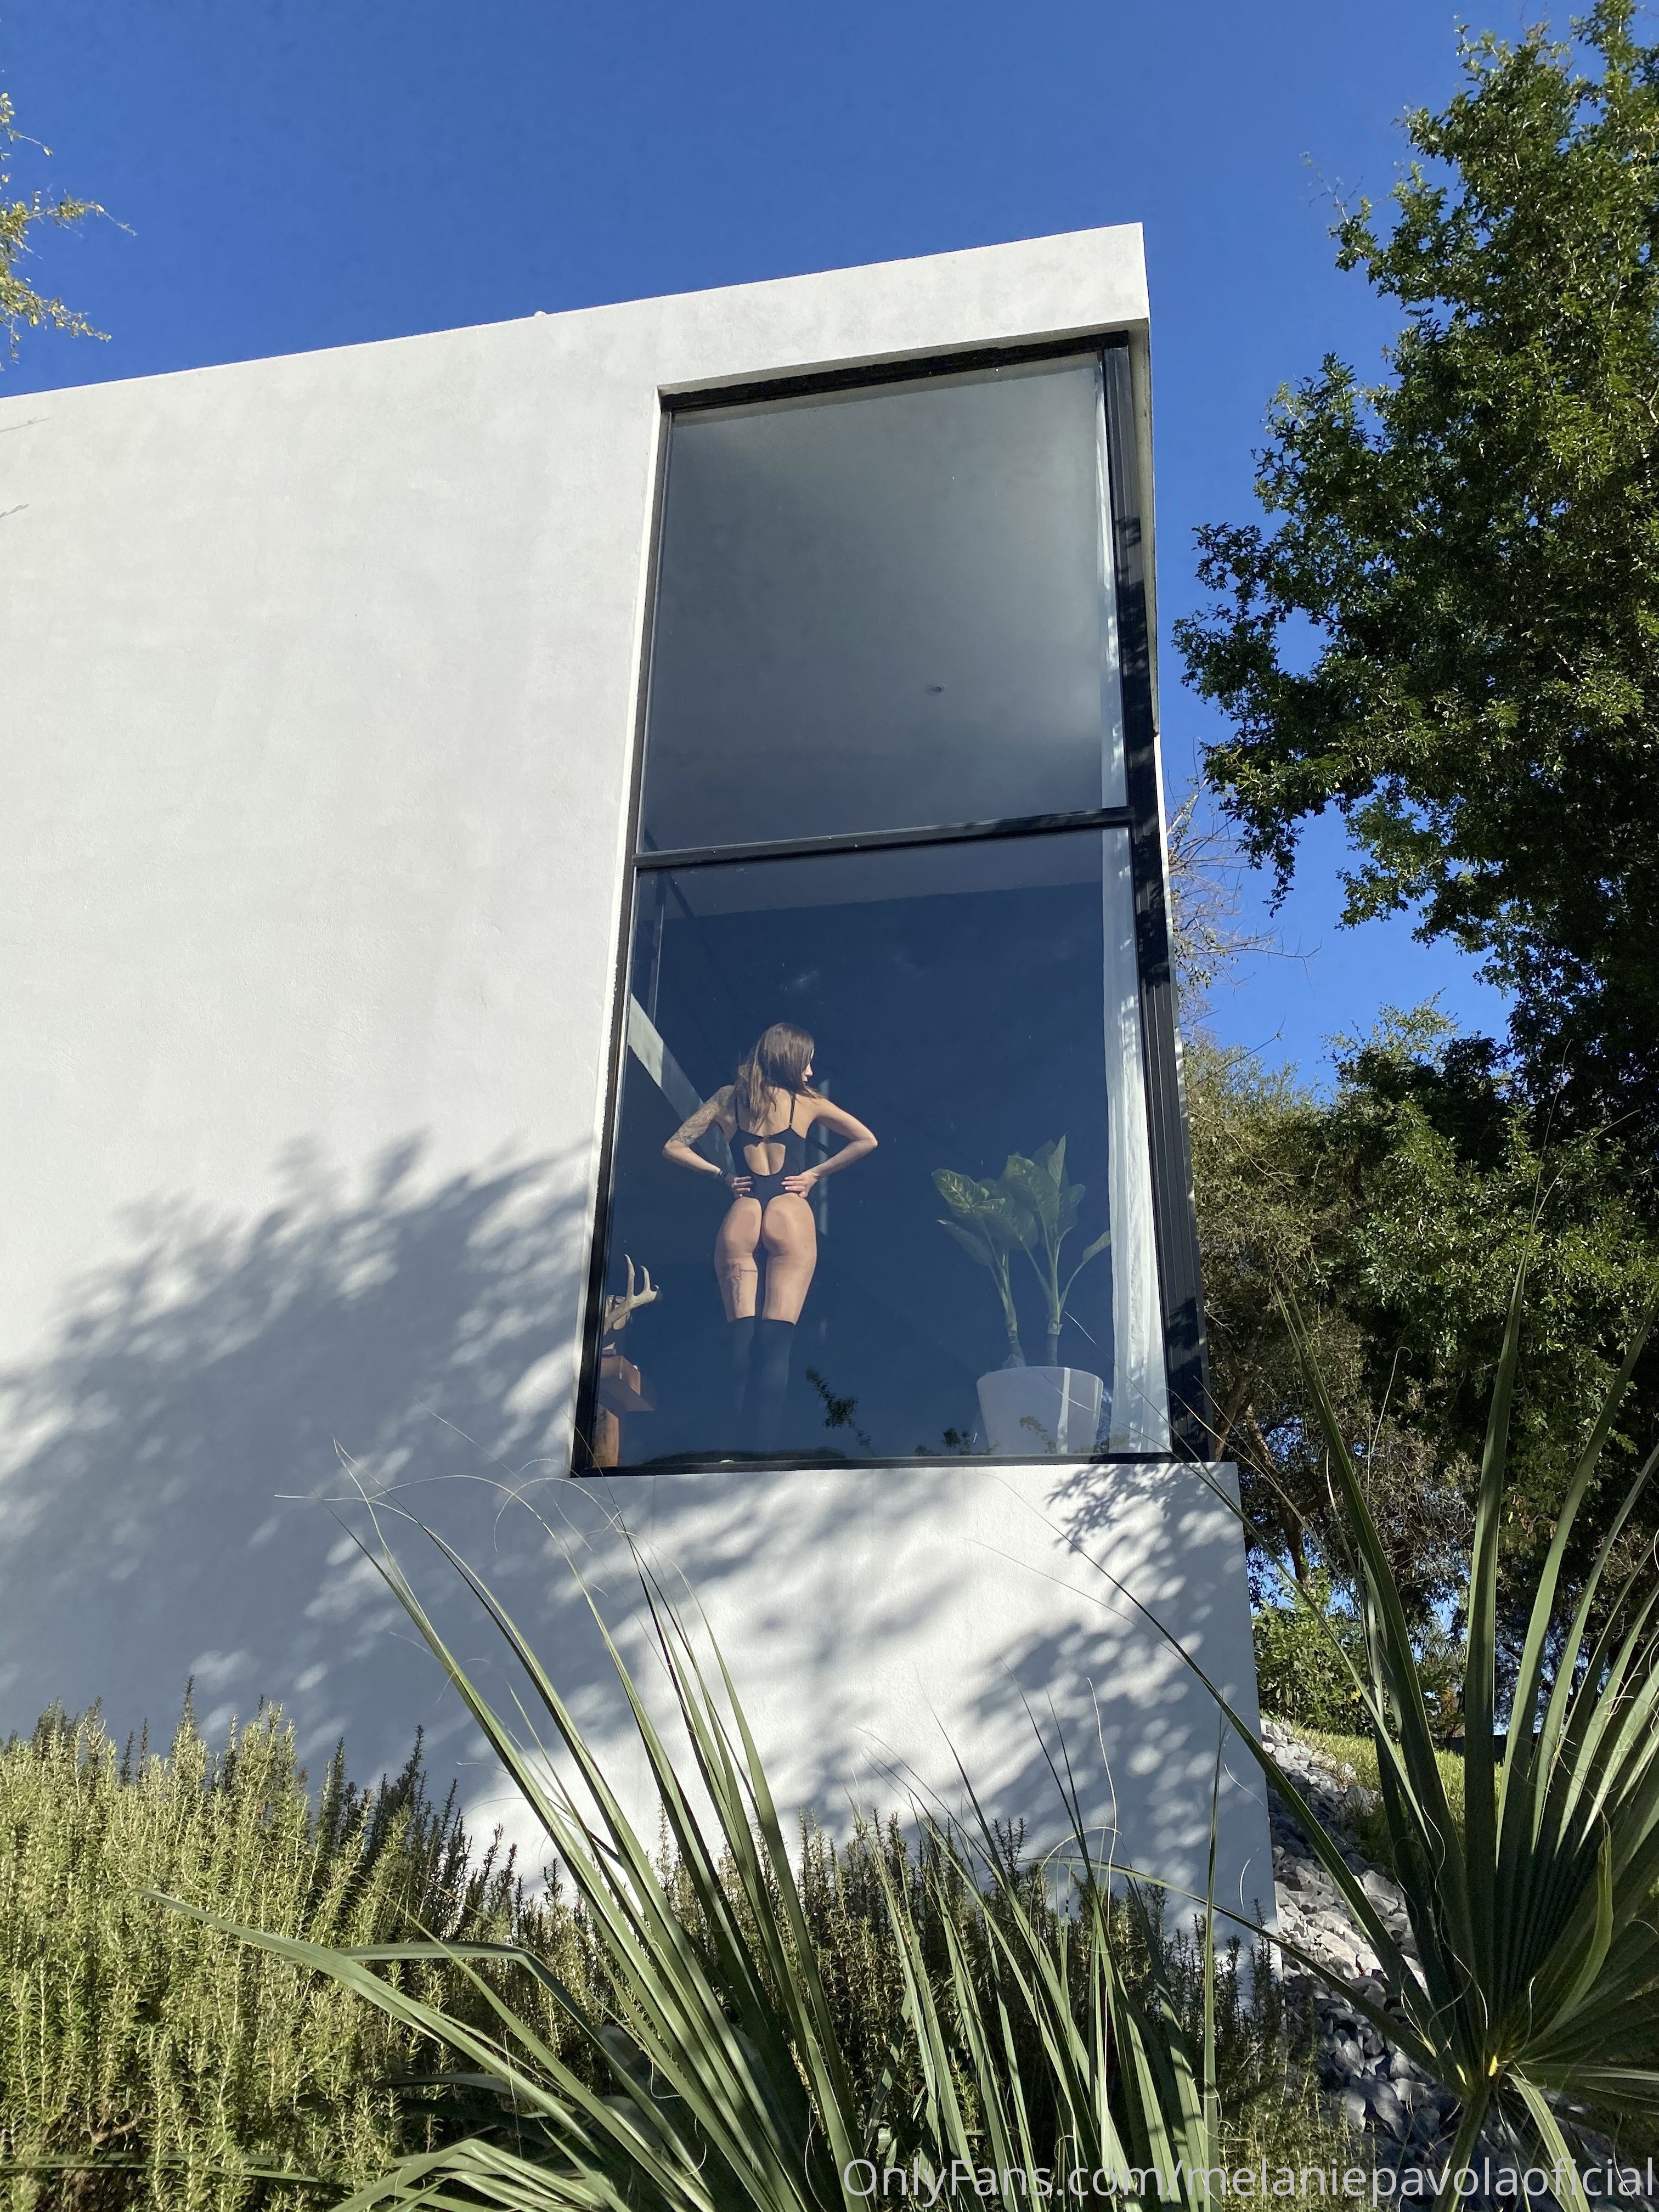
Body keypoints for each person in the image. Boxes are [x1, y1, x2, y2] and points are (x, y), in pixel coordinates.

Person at [663, 1022, 877, 1452]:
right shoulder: (806, 1101)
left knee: (740, 1338)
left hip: (743, 1210)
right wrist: (814, 1175)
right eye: (807, 1063)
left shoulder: (728, 1098)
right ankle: (762, 1452)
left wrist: (723, 1175)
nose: (811, 1072)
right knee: (777, 1343)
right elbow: (865, 1140)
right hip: (789, 1210)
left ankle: (734, 1448)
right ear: (789, 1059)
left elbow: (674, 1147)